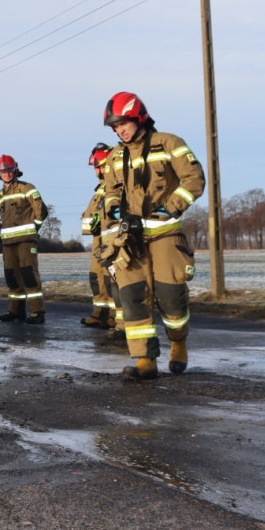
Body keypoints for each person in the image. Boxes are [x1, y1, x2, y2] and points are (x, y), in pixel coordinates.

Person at [100, 92, 205, 380]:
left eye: (122, 123)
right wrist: (114, 208)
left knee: (171, 297)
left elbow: (195, 180)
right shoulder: (114, 156)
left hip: (164, 234)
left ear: (138, 117)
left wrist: (171, 208)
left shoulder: (170, 143)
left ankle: (179, 342)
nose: (119, 130)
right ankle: (145, 359)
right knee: (133, 297)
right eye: (114, 126)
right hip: (128, 239)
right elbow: (109, 191)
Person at [0, 155, 48, 323]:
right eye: (3, 172)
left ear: (15, 170)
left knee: (29, 276)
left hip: (26, 241)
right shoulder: (0, 194)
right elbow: (7, 219)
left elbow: (42, 211)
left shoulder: (27, 188)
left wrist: (34, 228)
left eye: (9, 171)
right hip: (8, 243)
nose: (7, 174)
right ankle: (15, 311)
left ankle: (37, 313)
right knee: (11, 277)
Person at [80, 143, 118, 329]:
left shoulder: (113, 186)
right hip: (98, 242)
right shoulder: (101, 188)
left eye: (101, 166)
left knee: (111, 281)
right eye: (97, 167)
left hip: (109, 242)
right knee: (97, 278)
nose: (98, 170)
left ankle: (114, 317)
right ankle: (99, 314)